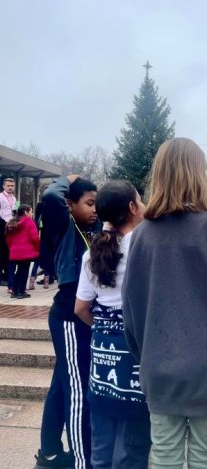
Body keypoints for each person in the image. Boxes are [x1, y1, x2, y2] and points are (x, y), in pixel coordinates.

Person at [122, 137, 207, 469]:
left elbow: (131, 309)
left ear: (159, 175)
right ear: (198, 175)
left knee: (163, 453)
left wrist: (147, 354)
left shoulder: (141, 236)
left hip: (160, 365)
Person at [75, 180, 151, 469]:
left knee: (102, 443)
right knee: (132, 446)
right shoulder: (146, 247)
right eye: (140, 201)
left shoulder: (92, 252)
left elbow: (81, 307)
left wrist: (103, 329)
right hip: (137, 350)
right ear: (132, 207)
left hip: (103, 354)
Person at [34, 175, 99, 469]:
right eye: (89, 203)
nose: (95, 209)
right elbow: (50, 197)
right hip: (69, 318)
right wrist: (66, 179)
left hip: (81, 315)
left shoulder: (94, 228)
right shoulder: (65, 227)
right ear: (70, 205)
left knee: (61, 386)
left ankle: (48, 453)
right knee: (76, 389)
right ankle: (82, 459)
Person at [5, 204, 39, 299]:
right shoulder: (28, 221)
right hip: (26, 252)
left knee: (19, 270)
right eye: (31, 211)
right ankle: (21, 292)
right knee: (24, 271)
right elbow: (35, 237)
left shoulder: (13, 222)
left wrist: (12, 248)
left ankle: (14, 291)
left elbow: (8, 239)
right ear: (26, 212)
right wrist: (37, 248)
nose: (32, 213)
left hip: (15, 252)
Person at [0, 177, 17, 288]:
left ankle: (8, 275)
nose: (10, 187)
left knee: (8, 252)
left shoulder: (15, 199)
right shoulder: (0, 197)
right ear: (3, 186)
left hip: (11, 227)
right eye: (8, 185)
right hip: (1, 225)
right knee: (1, 252)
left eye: (12, 186)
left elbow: (14, 211)